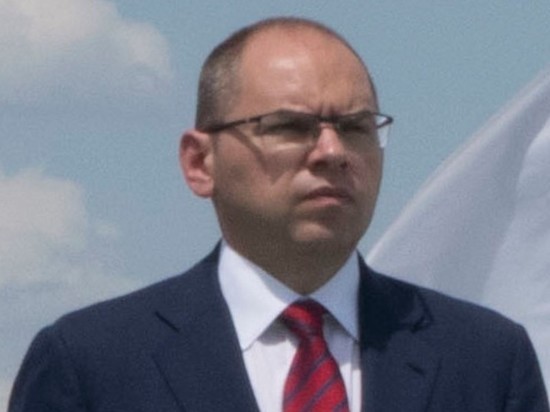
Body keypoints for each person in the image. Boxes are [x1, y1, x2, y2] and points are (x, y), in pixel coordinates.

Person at [9, 17, 549, 412]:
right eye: (291, 127)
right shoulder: (92, 364)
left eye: (356, 127)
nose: (332, 151)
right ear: (200, 162)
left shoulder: (486, 361)